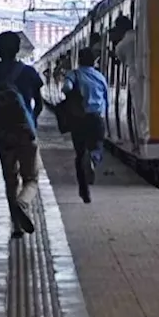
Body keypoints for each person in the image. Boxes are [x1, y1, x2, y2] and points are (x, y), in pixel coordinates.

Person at [0, 31, 45, 239]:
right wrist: (31, 120)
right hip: (25, 133)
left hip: (2, 135)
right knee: (31, 178)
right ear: (18, 49)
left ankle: (16, 226)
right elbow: (39, 104)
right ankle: (22, 203)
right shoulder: (29, 73)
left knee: (10, 179)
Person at [62, 48, 110, 203]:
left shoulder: (74, 74)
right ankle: (94, 159)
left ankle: (84, 191)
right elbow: (106, 99)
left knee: (79, 154)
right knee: (97, 145)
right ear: (94, 61)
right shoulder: (100, 76)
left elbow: (66, 88)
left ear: (79, 60)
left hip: (78, 119)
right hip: (96, 118)